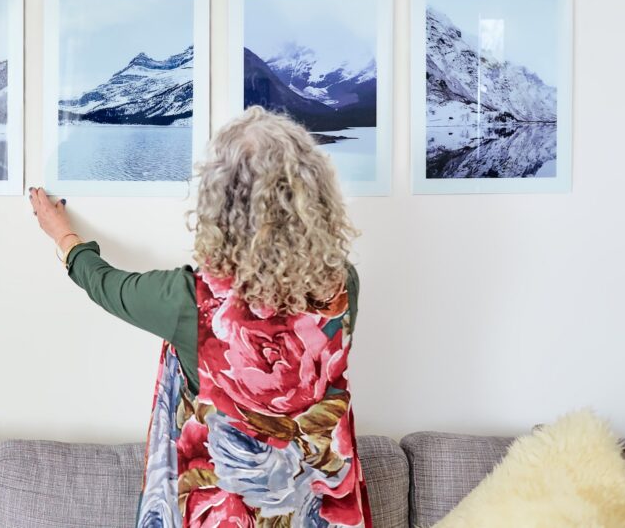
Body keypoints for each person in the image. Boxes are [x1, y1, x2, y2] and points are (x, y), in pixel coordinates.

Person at [29, 106, 373, 527]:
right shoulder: (343, 285)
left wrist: (63, 234)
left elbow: (107, 285)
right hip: (316, 510)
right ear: (314, 196)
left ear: (220, 204)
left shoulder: (191, 301)